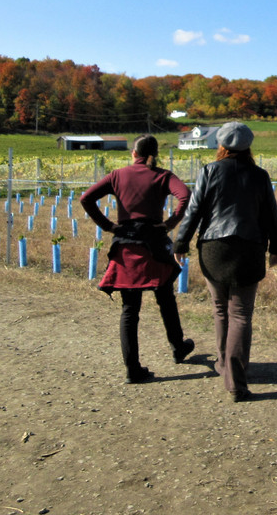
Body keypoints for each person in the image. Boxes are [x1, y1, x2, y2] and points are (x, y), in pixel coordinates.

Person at [173, 121, 277, 402]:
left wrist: (181, 242)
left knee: (220, 309)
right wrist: (276, 247)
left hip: (213, 248)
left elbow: (194, 210)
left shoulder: (209, 171)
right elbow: (271, 214)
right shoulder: (260, 175)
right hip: (250, 248)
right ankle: (236, 381)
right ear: (248, 146)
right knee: (241, 314)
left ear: (221, 145)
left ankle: (225, 366)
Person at [80, 135, 195, 384]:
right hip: (153, 242)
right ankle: (178, 347)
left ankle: (133, 369)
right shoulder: (163, 175)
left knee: (129, 310)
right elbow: (185, 195)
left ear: (134, 153)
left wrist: (108, 226)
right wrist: (169, 223)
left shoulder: (117, 175)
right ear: (155, 154)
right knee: (165, 297)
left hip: (125, 244)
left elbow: (85, 198)